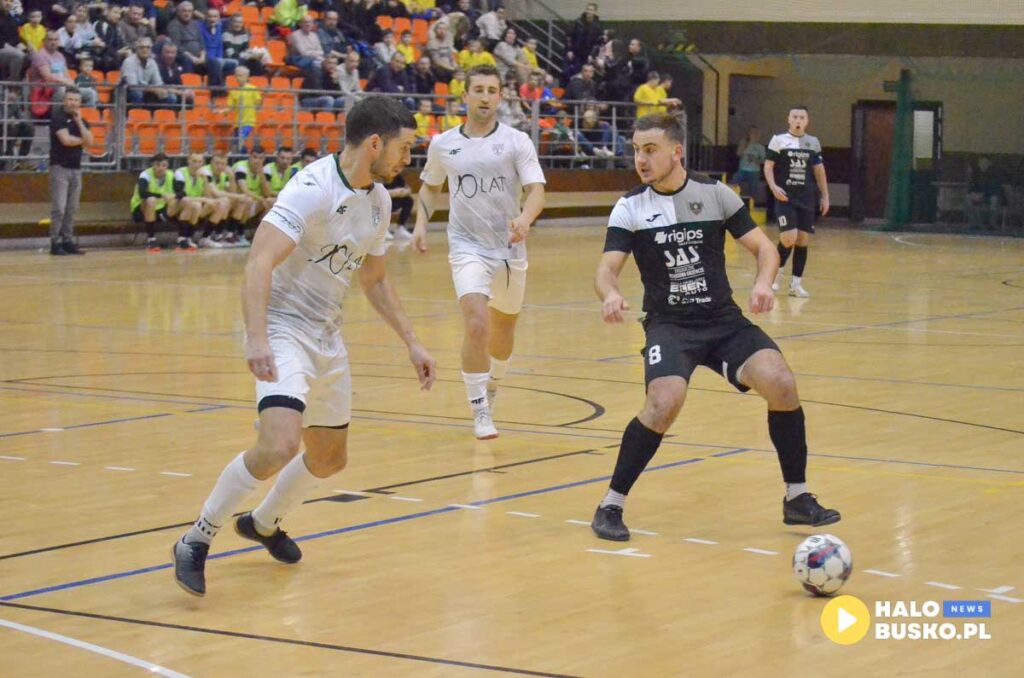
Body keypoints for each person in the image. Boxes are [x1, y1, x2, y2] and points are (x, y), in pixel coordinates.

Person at [172, 95, 435, 597]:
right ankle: (196, 538)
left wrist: (413, 342)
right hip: (282, 327)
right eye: (404, 148)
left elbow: (376, 279)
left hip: (326, 334)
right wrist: (256, 336)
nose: (408, 158)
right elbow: (259, 260)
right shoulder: (311, 189)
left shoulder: (379, 200)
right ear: (374, 144)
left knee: (330, 458)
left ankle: (263, 523)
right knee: (279, 444)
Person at [590, 112, 840, 542]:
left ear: (676, 151)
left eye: (650, 150)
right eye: (636, 151)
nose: (641, 160)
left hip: (723, 321)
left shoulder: (715, 193)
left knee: (781, 382)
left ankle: (797, 499)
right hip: (670, 324)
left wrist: (763, 283)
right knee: (664, 402)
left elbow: (765, 249)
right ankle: (610, 504)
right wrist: (610, 294)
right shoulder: (630, 206)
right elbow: (605, 270)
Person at [413, 64, 546, 439]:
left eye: (492, 90)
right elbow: (430, 186)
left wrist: (525, 218)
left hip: (509, 249)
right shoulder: (443, 144)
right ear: (465, 96)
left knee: (502, 334)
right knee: (476, 323)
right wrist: (421, 224)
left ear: (500, 96)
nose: (485, 97)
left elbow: (536, 190)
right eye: (479, 90)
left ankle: (493, 385)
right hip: (465, 246)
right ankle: (479, 411)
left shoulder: (517, 141)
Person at [764, 105, 829, 298]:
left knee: (802, 239)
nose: (798, 120)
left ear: (807, 121)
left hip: (806, 197)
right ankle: (775, 275)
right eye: (795, 116)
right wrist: (773, 187)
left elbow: (819, 171)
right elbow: (768, 167)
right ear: (789, 119)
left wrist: (825, 196)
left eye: (802, 117)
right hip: (785, 197)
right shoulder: (778, 140)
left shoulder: (813, 142)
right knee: (788, 237)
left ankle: (796, 284)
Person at [48, 87, 91, 255]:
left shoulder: (82, 121)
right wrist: (83, 141)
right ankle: (55, 242)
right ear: (64, 101)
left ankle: (67, 240)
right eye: (70, 99)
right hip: (59, 168)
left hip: (76, 169)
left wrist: (79, 122)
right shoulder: (58, 118)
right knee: (59, 208)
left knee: (72, 208)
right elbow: (65, 140)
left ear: (80, 103)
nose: (73, 103)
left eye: (76, 100)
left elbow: (91, 141)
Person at [130, 152, 181, 252]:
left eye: (164, 165)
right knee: (151, 200)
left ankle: (183, 238)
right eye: (158, 165)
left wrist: (173, 196)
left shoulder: (170, 175)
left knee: (182, 200)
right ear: (152, 165)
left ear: (167, 166)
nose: (161, 168)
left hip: (160, 208)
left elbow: (182, 192)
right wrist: (161, 196)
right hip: (141, 209)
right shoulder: (145, 175)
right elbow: (142, 193)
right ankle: (151, 239)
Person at [964, 157, 1005, 231]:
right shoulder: (976, 175)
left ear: (989, 164)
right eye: (981, 163)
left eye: (985, 163)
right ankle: (974, 224)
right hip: (979, 196)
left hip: (991, 196)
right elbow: (971, 188)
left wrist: (982, 194)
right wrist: (972, 194)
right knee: (967, 198)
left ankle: (992, 224)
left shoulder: (994, 175)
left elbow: (995, 189)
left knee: (994, 200)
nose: (983, 165)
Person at [732, 125, 765, 204]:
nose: (754, 134)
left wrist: (756, 160)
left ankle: (753, 205)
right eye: (752, 132)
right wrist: (744, 145)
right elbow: (738, 154)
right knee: (733, 182)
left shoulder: (760, 147)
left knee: (753, 190)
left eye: (756, 133)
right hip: (742, 170)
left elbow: (764, 161)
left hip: (754, 171)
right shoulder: (744, 143)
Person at [384, 172, 413, 240]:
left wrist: (405, 192)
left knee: (408, 200)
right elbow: (375, 193)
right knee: (382, 201)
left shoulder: (396, 175)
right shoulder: (378, 175)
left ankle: (400, 228)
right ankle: (382, 229)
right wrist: (394, 192)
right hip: (378, 203)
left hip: (392, 201)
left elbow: (408, 189)